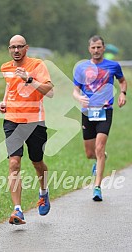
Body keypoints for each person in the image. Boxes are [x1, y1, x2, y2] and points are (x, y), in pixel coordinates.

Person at [0, 34, 54, 224]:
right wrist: (4, 101)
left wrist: (29, 79)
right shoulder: (5, 68)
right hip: (12, 120)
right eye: (12, 47)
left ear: (26, 48)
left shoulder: (37, 65)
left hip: (34, 122)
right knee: (14, 163)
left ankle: (44, 191)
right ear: (9, 49)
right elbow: (10, 88)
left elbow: (50, 91)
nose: (16, 50)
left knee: (37, 162)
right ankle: (18, 210)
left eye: (19, 47)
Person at [73, 35, 127, 201]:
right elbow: (75, 90)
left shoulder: (113, 66)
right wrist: (79, 98)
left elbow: (122, 81)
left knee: (99, 148)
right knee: (90, 153)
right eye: (93, 48)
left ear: (103, 48)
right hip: (88, 112)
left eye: (99, 47)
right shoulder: (81, 68)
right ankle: (99, 158)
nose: (96, 50)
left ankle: (97, 187)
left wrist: (123, 94)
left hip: (105, 110)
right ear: (89, 49)